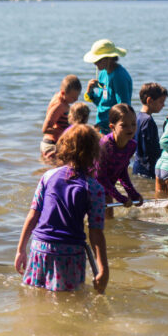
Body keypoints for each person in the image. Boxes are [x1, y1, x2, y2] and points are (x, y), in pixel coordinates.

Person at [14, 124, 108, 293]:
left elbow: (33, 216)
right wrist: (103, 268)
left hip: (39, 247)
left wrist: (21, 250)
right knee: (67, 301)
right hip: (69, 253)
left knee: (37, 295)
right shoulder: (95, 189)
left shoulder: (48, 176)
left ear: (64, 147)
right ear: (94, 152)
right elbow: (96, 233)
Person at [94, 104, 143, 218]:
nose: (130, 129)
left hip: (106, 188)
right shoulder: (105, 145)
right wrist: (119, 197)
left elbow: (122, 172)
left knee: (108, 221)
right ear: (112, 126)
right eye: (124, 125)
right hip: (91, 186)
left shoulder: (131, 145)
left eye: (133, 124)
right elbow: (99, 176)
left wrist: (133, 193)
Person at [83, 39, 133, 134]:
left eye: (98, 60)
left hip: (112, 130)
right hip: (101, 127)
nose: (95, 63)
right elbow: (102, 102)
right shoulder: (103, 73)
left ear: (109, 58)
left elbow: (124, 107)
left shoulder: (119, 76)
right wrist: (90, 91)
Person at [132, 82, 168, 178]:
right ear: (150, 101)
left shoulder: (138, 117)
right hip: (148, 170)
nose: (163, 105)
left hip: (138, 167)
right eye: (161, 102)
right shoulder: (148, 121)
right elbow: (151, 151)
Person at [41, 75, 82, 160]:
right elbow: (45, 129)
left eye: (77, 96)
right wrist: (66, 132)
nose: (76, 99)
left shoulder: (60, 98)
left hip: (54, 144)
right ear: (63, 93)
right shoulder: (59, 105)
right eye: (73, 97)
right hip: (51, 145)